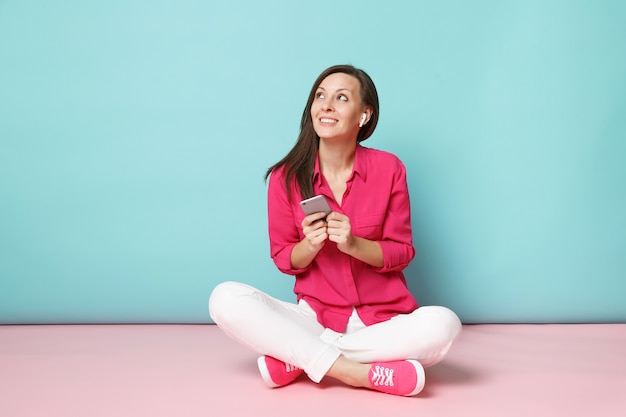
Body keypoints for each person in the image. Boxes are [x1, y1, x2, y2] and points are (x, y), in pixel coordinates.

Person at [209, 64, 461, 396]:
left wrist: (355, 244)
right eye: (320, 96)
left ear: (364, 115)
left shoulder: (390, 168)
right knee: (225, 298)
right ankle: (357, 373)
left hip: (384, 323)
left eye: (341, 98)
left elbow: (402, 252)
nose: (326, 105)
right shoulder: (285, 177)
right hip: (314, 318)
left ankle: (300, 357)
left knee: (444, 324)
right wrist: (310, 244)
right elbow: (285, 259)